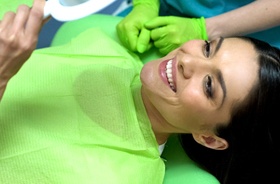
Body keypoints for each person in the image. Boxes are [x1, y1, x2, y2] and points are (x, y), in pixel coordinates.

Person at [0, 0, 280, 183]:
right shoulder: (110, 50)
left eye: (209, 86)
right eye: (207, 48)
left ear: (209, 139)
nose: (187, 59)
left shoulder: (119, 176)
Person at [116, 0, 280, 55]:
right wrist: (146, 4)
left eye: (209, 86)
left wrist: (208, 29)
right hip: (161, 11)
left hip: (250, 29)